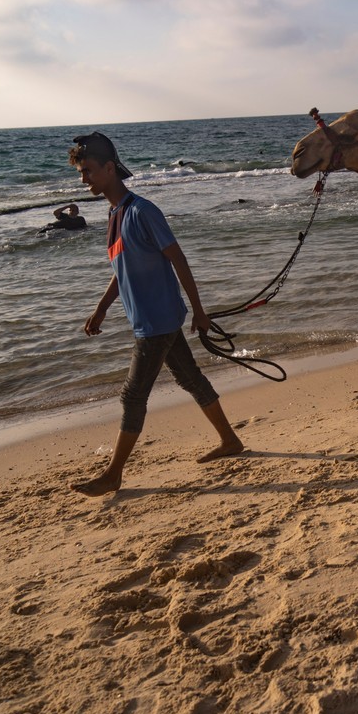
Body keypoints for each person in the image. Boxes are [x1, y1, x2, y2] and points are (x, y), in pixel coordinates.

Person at [67, 131, 243, 496]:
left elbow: (178, 258)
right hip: (151, 320)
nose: (83, 179)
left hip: (157, 322)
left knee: (133, 397)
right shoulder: (115, 214)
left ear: (110, 168)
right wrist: (101, 309)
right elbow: (122, 270)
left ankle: (114, 474)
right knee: (191, 379)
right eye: (81, 172)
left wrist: (199, 311)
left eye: (87, 171)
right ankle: (229, 440)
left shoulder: (143, 211)